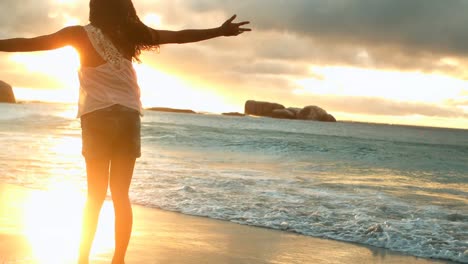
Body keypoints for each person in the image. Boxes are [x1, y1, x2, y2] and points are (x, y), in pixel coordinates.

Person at [0, 0, 251, 263]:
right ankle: (118, 259)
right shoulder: (132, 34)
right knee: (120, 194)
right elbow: (178, 36)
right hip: (128, 117)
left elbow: (29, 42)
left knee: (95, 195)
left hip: (98, 117)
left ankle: (82, 259)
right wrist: (219, 31)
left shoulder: (79, 34)